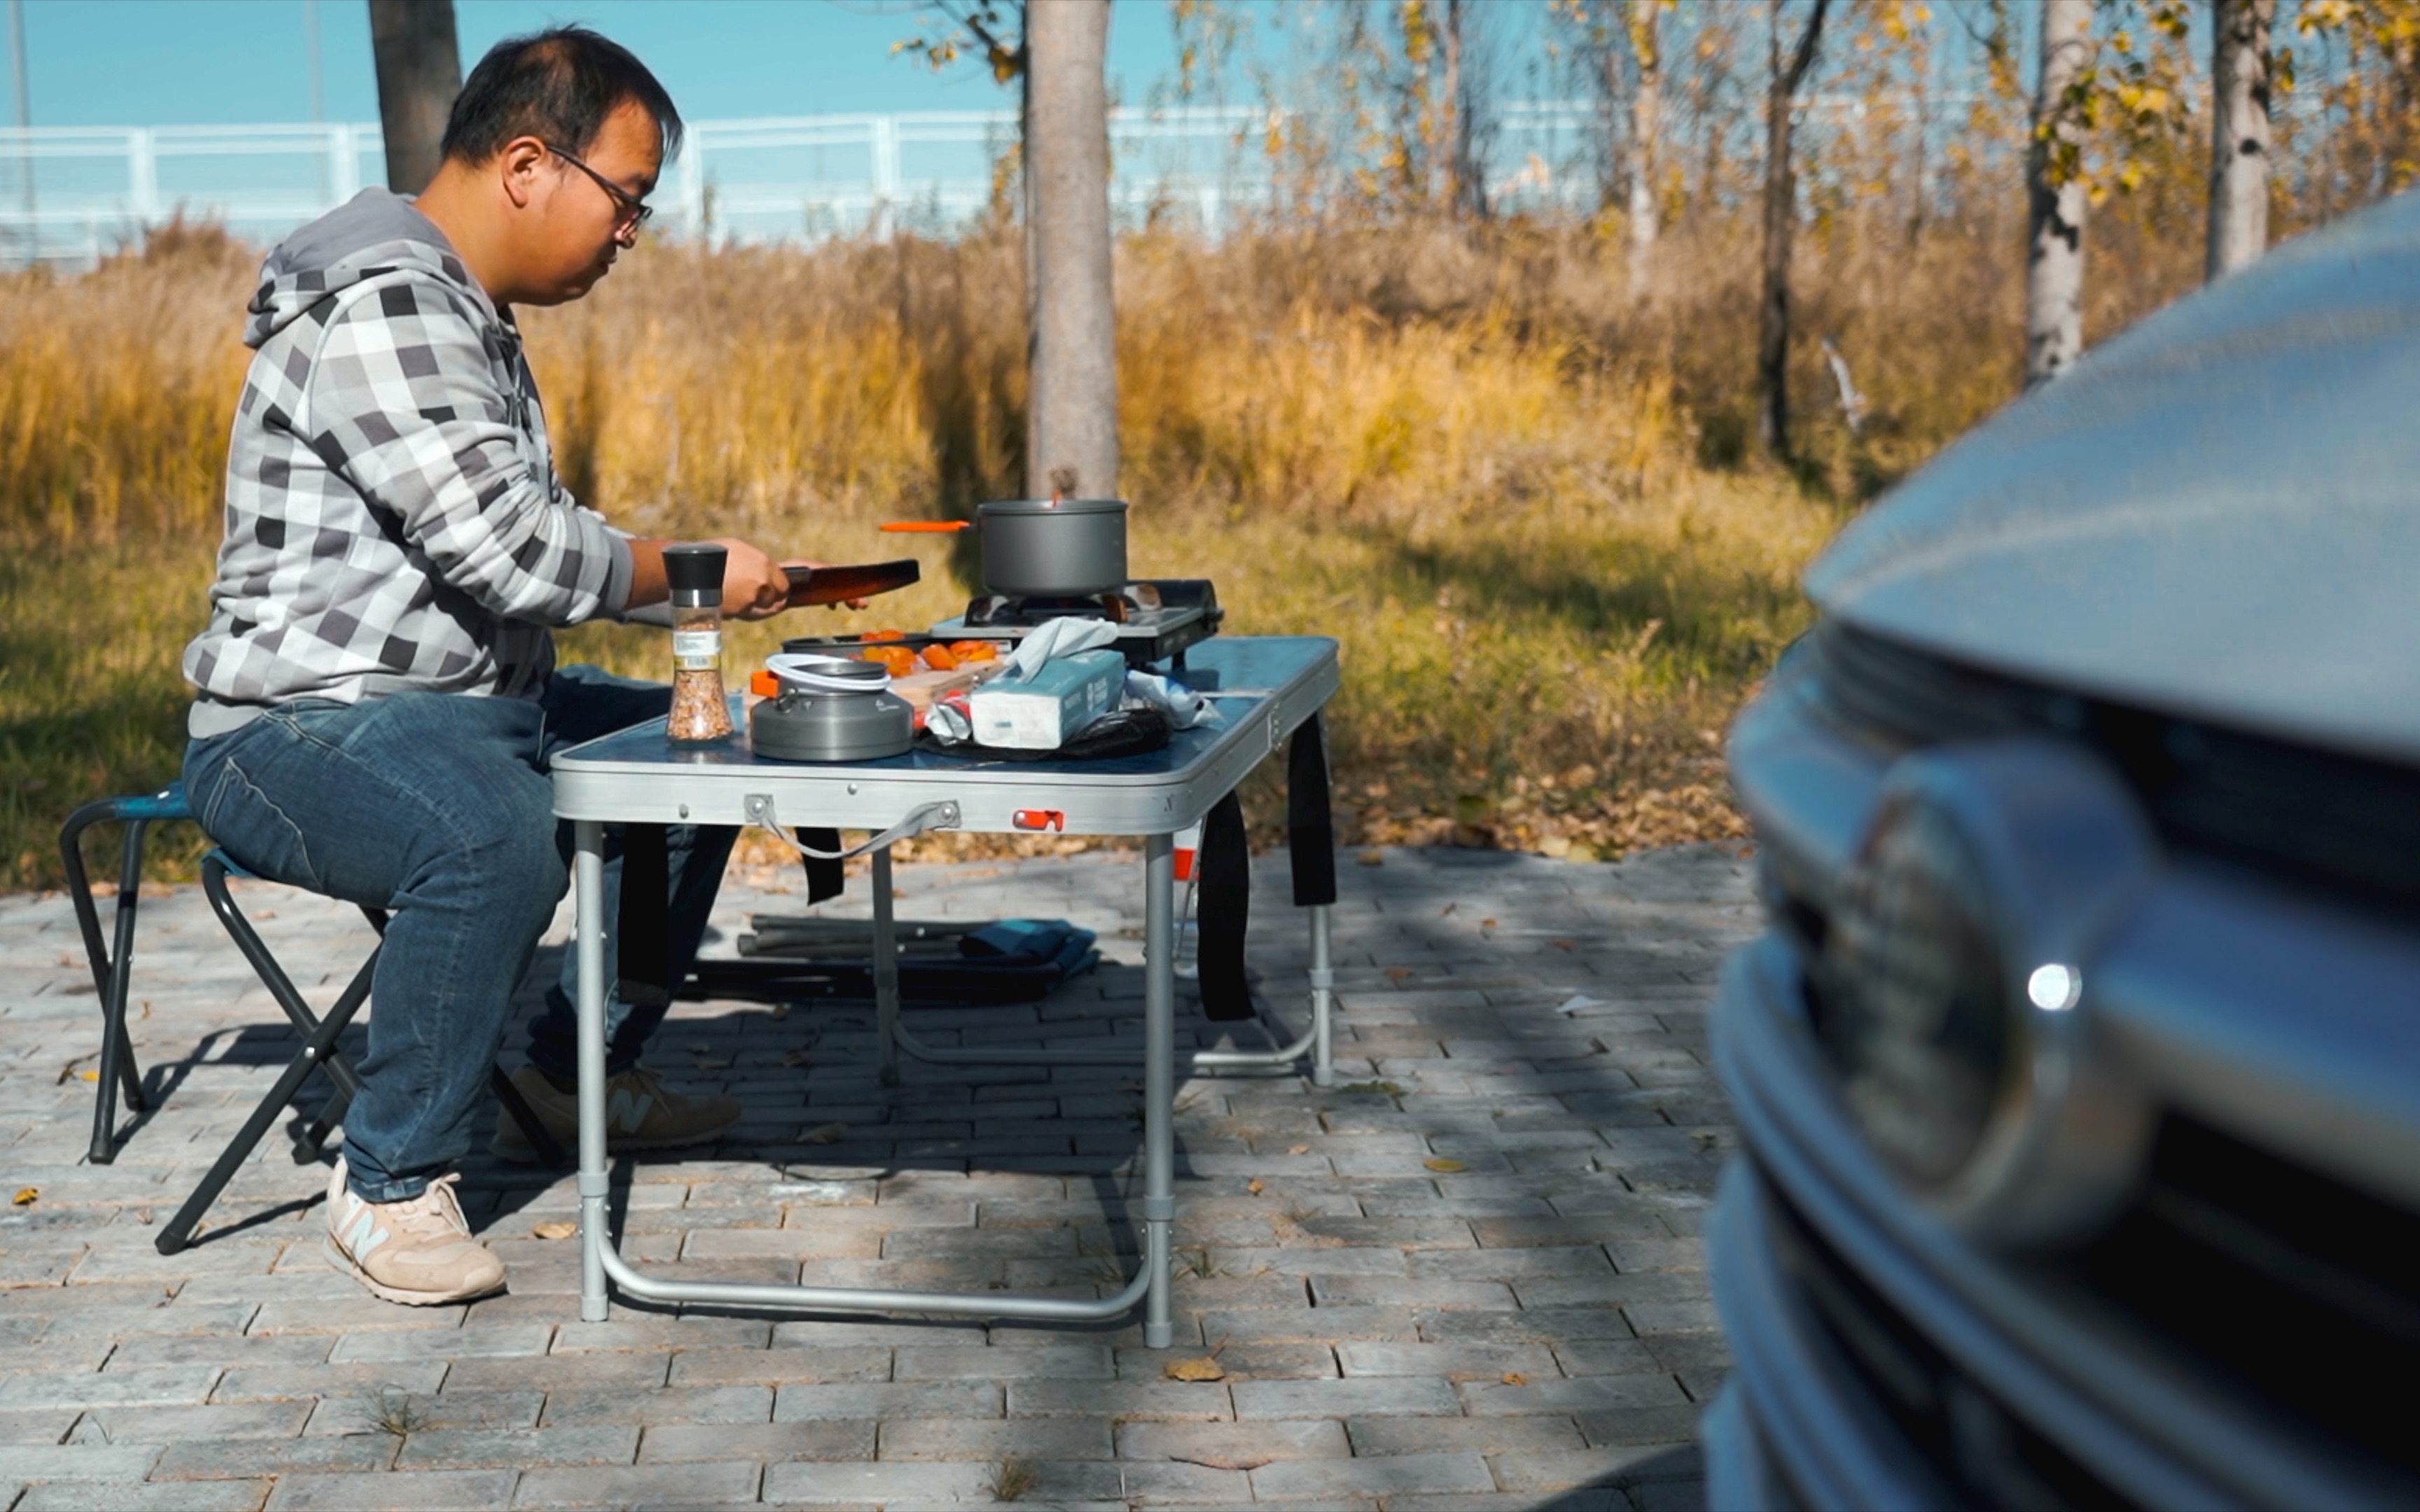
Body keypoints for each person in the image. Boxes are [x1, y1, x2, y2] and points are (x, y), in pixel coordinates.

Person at [181, 27, 793, 1306]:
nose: (633, 232)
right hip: (300, 730)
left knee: (692, 761)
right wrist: (685, 571)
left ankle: (575, 1079)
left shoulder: (460, 306)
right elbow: (508, 551)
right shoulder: (387, 299)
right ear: (528, 163)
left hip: (465, 706)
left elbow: (497, 552)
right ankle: (389, 1180)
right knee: (493, 834)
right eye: (628, 198)